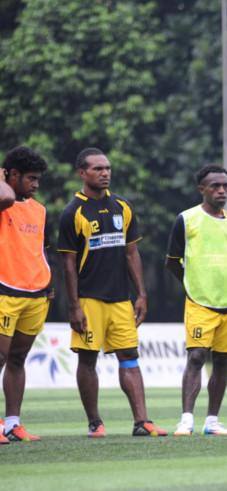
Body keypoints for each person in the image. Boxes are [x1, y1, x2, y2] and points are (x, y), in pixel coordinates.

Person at [58, 147, 166, 437]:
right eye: (97, 169)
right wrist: (74, 305)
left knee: (129, 356)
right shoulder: (73, 212)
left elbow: (132, 253)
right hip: (89, 299)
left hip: (121, 299)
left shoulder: (123, 207)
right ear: (82, 173)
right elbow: (68, 263)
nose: (105, 173)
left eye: (107, 168)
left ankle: (142, 422)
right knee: (88, 359)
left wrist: (141, 294)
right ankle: (95, 422)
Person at [166, 165, 227, 436]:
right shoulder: (186, 220)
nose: (221, 190)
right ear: (202, 189)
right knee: (197, 356)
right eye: (215, 186)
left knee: (222, 361)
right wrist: (193, 284)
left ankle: (212, 420)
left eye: (225, 185)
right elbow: (172, 262)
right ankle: (186, 419)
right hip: (199, 301)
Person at [0, 147, 51, 443]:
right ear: (12, 175)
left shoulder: (39, 209)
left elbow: (37, 250)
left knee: (18, 358)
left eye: (38, 179)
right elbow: (6, 196)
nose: (36, 185)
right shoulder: (3, 201)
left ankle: (13, 423)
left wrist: (48, 284)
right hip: (5, 291)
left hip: (36, 294)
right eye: (30, 178)